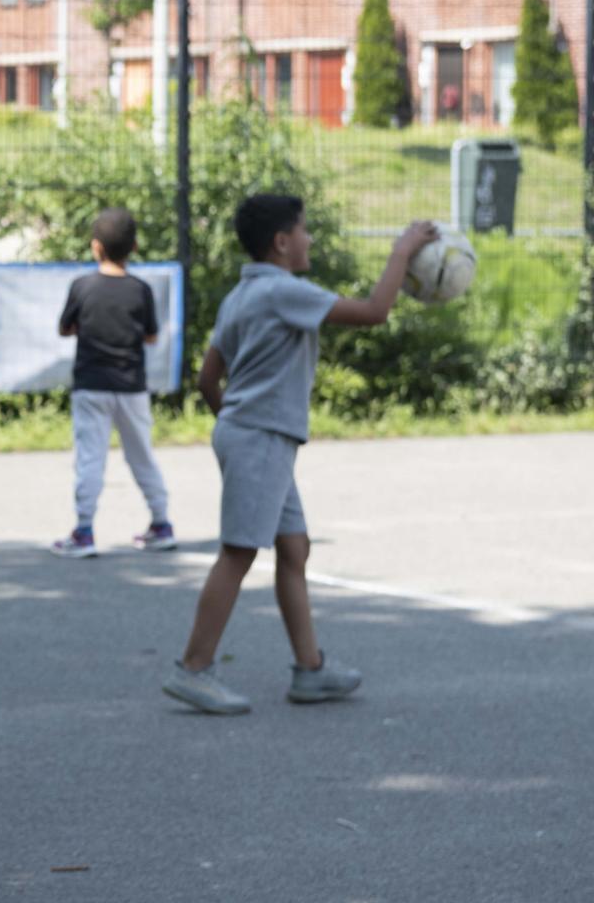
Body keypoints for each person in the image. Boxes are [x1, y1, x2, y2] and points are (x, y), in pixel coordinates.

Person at [163, 197, 438, 716]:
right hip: (261, 437)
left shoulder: (240, 295)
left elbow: (207, 379)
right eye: (304, 230)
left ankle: (309, 670)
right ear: (281, 242)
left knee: (293, 548)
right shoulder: (283, 291)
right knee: (239, 552)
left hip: (252, 434)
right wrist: (402, 253)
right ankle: (193, 668)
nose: (309, 239)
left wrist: (234, 422)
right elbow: (374, 313)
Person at [52, 207, 173, 557]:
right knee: (142, 455)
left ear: (96, 247)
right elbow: (151, 336)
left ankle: (84, 531)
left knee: (90, 458)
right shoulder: (140, 290)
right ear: (134, 247)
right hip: (131, 386)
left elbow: (65, 328)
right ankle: (161, 523)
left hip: (91, 384)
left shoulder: (82, 286)